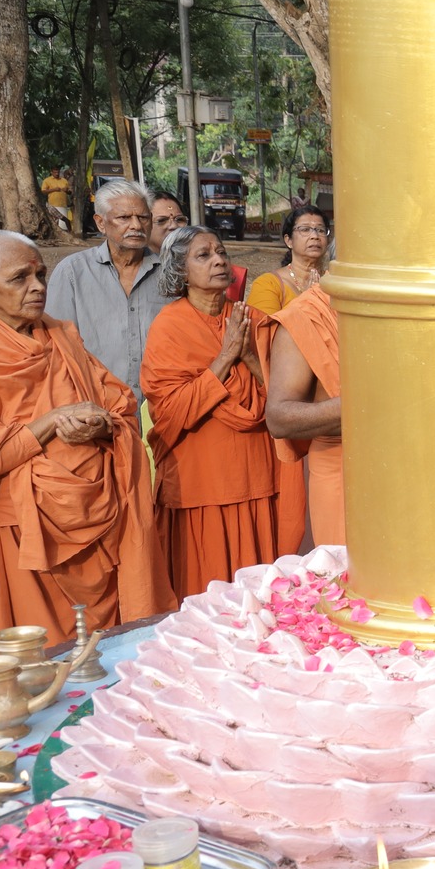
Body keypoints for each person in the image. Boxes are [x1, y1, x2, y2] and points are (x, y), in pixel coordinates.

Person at [0, 230, 170, 642]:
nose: (38, 286)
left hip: (101, 515)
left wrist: (101, 425)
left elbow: (118, 405)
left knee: (114, 649)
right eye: (20, 278)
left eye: (40, 274)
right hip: (25, 534)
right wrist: (51, 422)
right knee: (43, 657)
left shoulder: (60, 334)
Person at [141, 227, 288, 598]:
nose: (219, 260)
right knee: (204, 595)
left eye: (221, 252)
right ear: (180, 270)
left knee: (260, 595)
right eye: (203, 255)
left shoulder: (254, 319)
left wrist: (248, 355)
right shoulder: (169, 327)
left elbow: (286, 394)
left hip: (258, 475)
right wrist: (225, 357)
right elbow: (169, 412)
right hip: (201, 482)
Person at [44, 179, 166, 393]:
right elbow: (57, 347)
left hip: (160, 400)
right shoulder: (72, 272)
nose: (136, 226)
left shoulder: (169, 273)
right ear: (100, 223)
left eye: (143, 217)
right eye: (124, 218)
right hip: (96, 400)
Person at [263, 280, 343, 546]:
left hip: (412, 466)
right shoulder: (305, 316)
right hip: (341, 472)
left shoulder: (407, 302)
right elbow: (279, 418)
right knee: (350, 568)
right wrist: (366, 407)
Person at [247, 205, 331, 315]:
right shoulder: (269, 284)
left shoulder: (336, 283)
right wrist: (307, 300)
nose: (315, 236)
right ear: (289, 241)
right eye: (305, 229)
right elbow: (265, 326)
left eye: (320, 230)